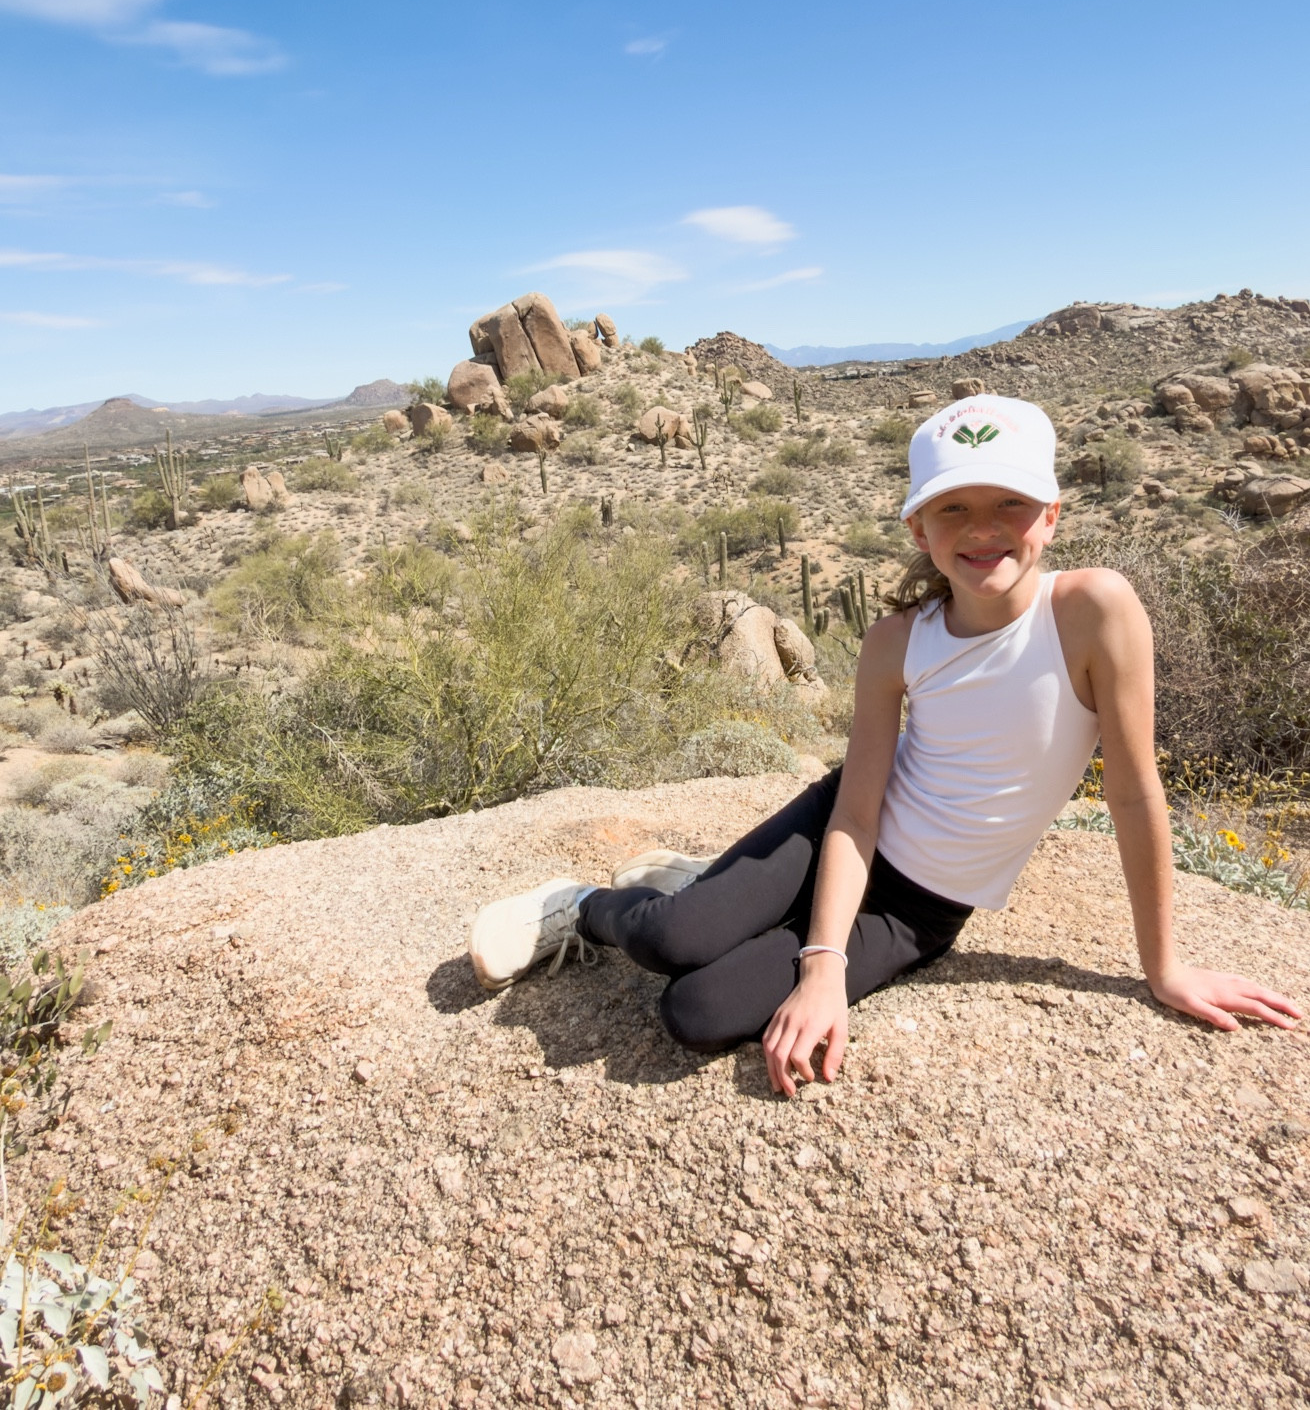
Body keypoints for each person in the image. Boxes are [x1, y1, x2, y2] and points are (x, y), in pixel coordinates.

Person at [468, 394, 1302, 1096]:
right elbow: (859, 807)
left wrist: (1164, 968)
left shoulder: (1093, 611)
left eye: (1010, 503)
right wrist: (822, 963)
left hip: (920, 910)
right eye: (954, 509)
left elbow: (1132, 793)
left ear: (1052, 513)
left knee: (697, 1013)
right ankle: (580, 904)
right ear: (918, 528)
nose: (984, 530)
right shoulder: (898, 641)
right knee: (664, 942)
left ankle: (709, 887)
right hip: (840, 831)